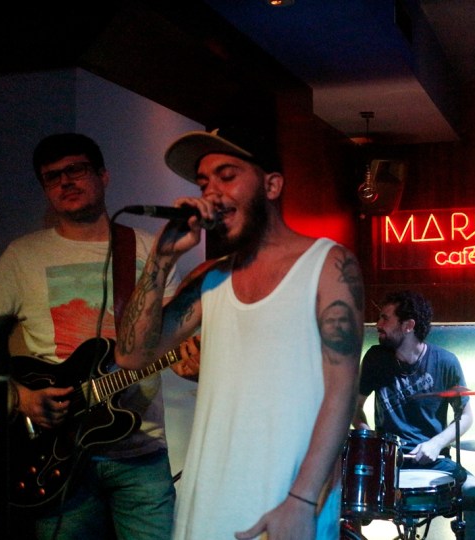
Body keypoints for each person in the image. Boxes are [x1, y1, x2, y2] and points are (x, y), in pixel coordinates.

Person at [113, 125, 364, 540]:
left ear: (272, 185)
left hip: (286, 504)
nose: (211, 193)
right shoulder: (208, 278)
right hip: (205, 502)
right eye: (203, 183)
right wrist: (160, 259)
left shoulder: (327, 265)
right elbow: (132, 356)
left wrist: (301, 500)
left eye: (227, 176)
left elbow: (342, 389)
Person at [0, 133, 182, 540]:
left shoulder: (148, 249)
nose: (65, 181)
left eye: (76, 170)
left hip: (141, 450)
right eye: (52, 177)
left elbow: (175, 335)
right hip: (53, 454)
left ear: (103, 175)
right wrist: (19, 397)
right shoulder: (23, 255)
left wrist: (191, 358)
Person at [352, 290, 475, 540]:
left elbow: (466, 416)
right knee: (341, 494)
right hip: (388, 463)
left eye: (385, 318)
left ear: (408, 326)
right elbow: (355, 406)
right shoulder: (375, 359)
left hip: (434, 461)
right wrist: (370, 440)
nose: (378, 324)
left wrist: (436, 444)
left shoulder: (445, 361)